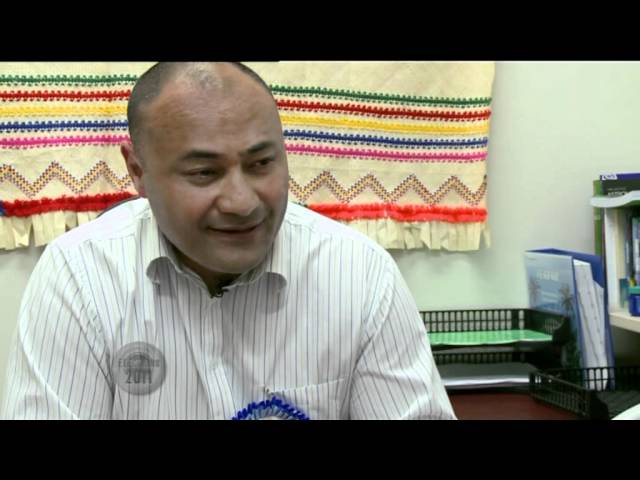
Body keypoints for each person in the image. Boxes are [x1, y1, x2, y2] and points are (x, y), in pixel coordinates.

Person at [1, 62, 455, 420]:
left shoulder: (360, 274)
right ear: (137, 171)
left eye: (261, 164)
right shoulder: (78, 278)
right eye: (204, 173)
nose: (242, 202)